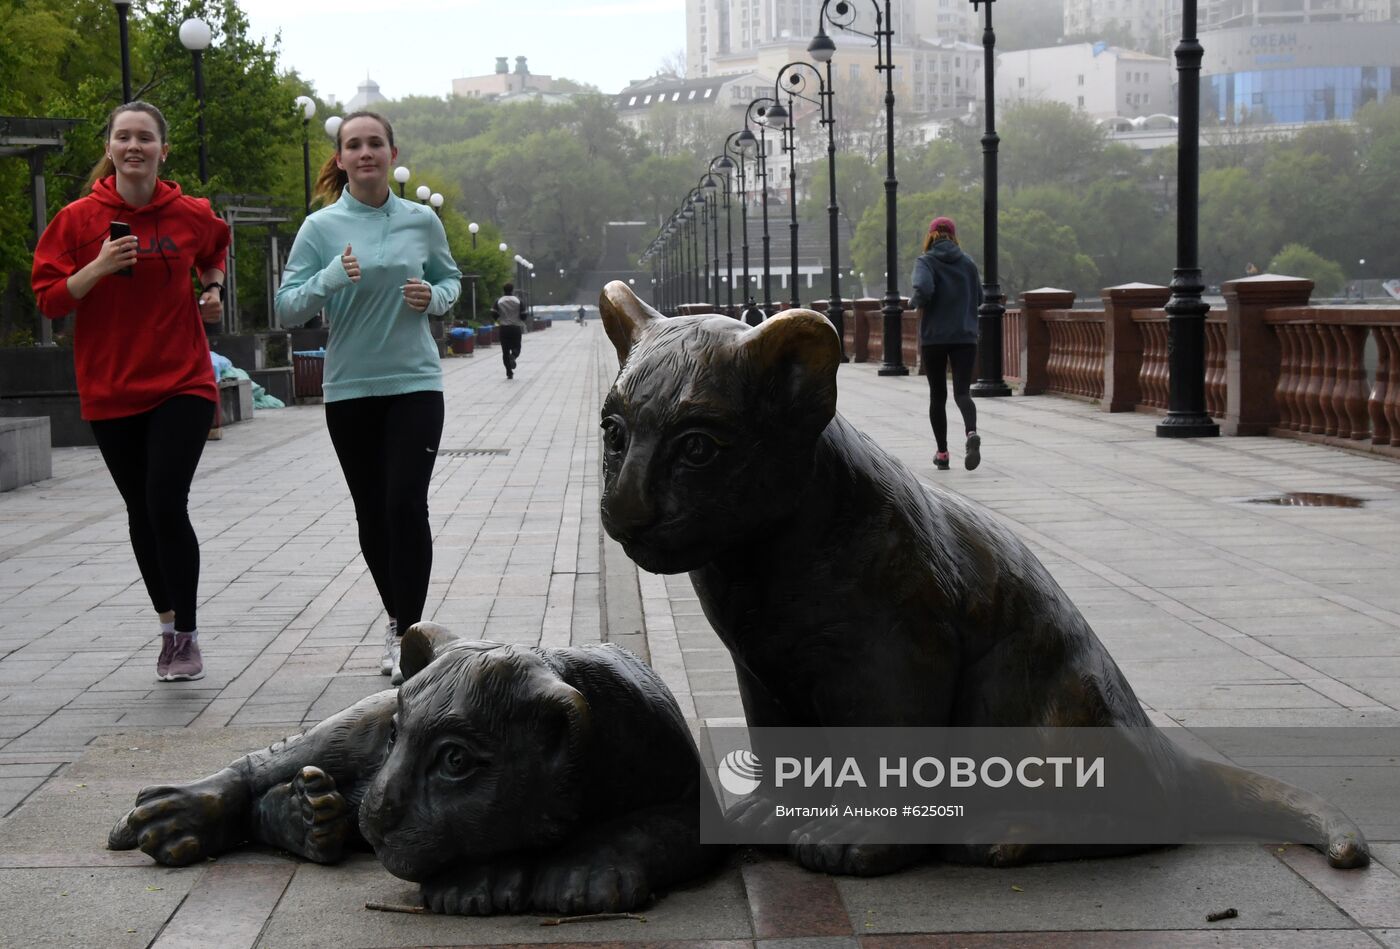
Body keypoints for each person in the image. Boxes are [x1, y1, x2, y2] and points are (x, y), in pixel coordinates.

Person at [31, 101, 230, 682]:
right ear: (111, 148)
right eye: (124, 137)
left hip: (182, 379)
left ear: (162, 150)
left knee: (166, 501)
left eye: (146, 137)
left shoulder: (188, 212)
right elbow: (49, 297)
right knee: (141, 511)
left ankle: (188, 636)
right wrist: (96, 267)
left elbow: (215, 246)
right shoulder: (76, 220)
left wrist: (212, 288)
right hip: (110, 385)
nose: (134, 146)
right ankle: (167, 629)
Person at [274, 111, 461, 684]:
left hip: (415, 384)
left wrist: (432, 295)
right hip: (350, 389)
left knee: (406, 503)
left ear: (392, 152)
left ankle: (410, 633)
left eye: (374, 143)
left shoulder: (421, 219)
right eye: (353, 145)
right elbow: (286, 308)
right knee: (372, 511)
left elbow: (450, 283)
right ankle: (395, 617)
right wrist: (329, 276)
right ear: (341, 158)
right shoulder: (321, 228)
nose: (365, 153)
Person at [908, 216, 982, 472]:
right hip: (964, 336)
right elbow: (980, 297)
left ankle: (942, 453)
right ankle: (971, 433)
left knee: (937, 396)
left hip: (935, 338)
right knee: (962, 392)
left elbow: (923, 288)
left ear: (931, 236)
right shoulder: (968, 263)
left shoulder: (925, 261)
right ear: (953, 236)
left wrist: (914, 302)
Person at [494, 283, 525, 378]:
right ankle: (514, 356)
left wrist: (499, 319)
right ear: (512, 290)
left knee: (505, 351)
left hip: (504, 328)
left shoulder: (498, 301)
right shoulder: (518, 301)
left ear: (503, 290)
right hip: (515, 328)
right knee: (517, 347)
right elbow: (524, 315)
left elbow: (493, 313)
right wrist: (519, 319)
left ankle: (509, 372)